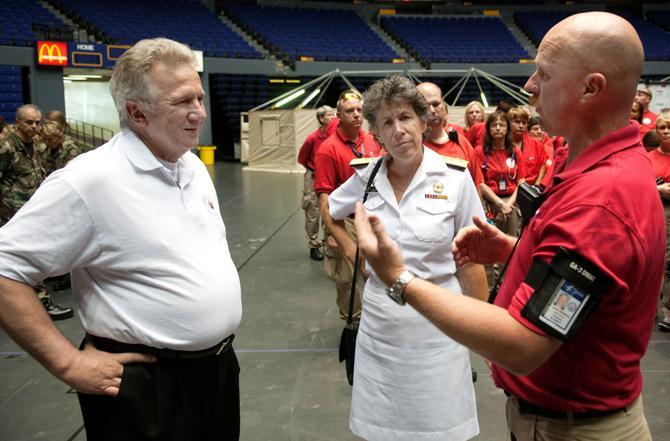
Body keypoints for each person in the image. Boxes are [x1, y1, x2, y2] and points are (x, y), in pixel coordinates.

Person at [355, 12, 662, 441]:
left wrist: (399, 278)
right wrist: (517, 249)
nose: (530, 87)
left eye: (544, 74)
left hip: (571, 427)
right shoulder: (605, 168)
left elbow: (523, 347)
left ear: (591, 87)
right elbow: (587, 273)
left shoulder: (601, 201)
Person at [0, 38, 242, 440]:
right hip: (146, 387)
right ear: (136, 112)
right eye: (183, 102)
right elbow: (5, 268)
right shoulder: (89, 181)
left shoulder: (191, 166)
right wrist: (67, 364)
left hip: (215, 373)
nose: (199, 112)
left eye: (199, 98)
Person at [330, 75, 487, 441]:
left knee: (442, 429)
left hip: (438, 333)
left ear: (423, 121)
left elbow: (472, 260)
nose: (398, 130)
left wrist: (482, 333)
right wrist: (355, 252)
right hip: (381, 336)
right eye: (387, 122)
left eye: (405, 118)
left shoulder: (455, 179)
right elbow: (332, 209)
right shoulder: (365, 178)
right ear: (377, 133)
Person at [0, 104, 74, 320]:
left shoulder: (34, 145)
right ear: (18, 122)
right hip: (10, 211)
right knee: (26, 256)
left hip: (29, 209)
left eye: (36, 122)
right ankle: (42, 305)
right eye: (28, 122)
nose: (34, 127)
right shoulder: (6, 147)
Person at [314, 90, 382, 321]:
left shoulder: (373, 141)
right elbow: (324, 195)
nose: (355, 115)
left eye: (359, 110)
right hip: (346, 219)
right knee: (347, 277)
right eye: (349, 111)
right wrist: (332, 232)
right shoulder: (328, 149)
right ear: (339, 116)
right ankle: (352, 321)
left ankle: (378, 320)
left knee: (376, 272)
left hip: (374, 217)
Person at [417, 82, 484, 188]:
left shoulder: (461, 142)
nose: (432, 110)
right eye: (424, 106)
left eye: (436, 104)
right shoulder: (407, 146)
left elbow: (477, 185)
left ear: (443, 104)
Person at [475, 111, 526, 237]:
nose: (498, 128)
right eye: (494, 125)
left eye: (502, 125)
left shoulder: (515, 152)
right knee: (490, 240)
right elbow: (481, 184)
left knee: (512, 241)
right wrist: (500, 203)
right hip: (491, 201)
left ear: (507, 128)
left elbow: (521, 182)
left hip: (512, 203)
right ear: (488, 129)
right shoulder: (480, 151)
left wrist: (508, 205)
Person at [297, 105, 335, 261]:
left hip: (329, 178)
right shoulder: (312, 138)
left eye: (334, 114)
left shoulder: (335, 137)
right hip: (313, 176)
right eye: (329, 115)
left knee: (331, 210)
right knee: (312, 211)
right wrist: (315, 170)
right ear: (321, 119)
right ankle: (314, 245)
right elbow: (302, 158)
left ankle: (329, 243)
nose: (333, 117)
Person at [650, 112, 670, 331]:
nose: (666, 132)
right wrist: (658, 188)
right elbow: (637, 185)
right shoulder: (648, 158)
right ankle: (664, 310)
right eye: (662, 128)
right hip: (659, 212)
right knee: (663, 261)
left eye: (669, 128)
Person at [507, 107, 549, 187]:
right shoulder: (501, 145)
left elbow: (543, 165)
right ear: (509, 123)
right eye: (517, 122)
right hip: (509, 188)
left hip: (531, 188)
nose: (521, 126)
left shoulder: (537, 144)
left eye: (524, 122)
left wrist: (537, 184)